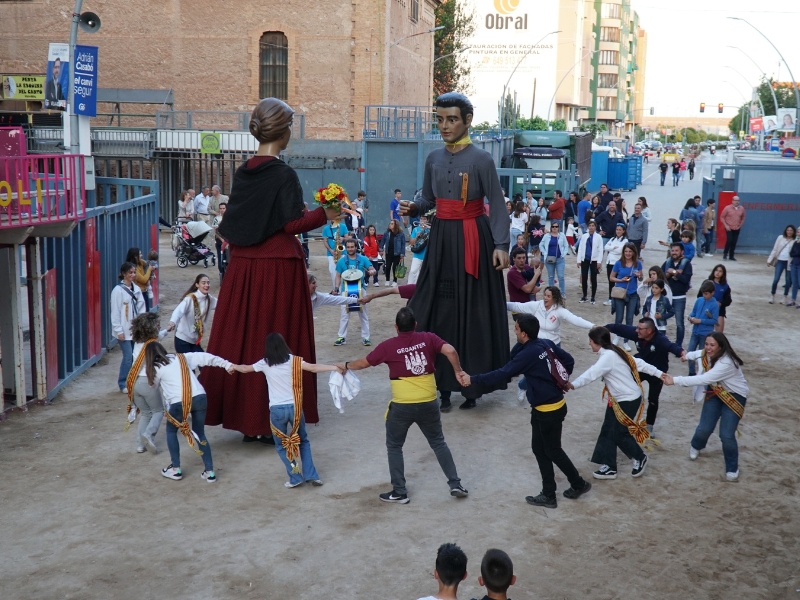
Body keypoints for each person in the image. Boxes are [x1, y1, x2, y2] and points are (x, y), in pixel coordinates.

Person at [201, 98, 342, 443]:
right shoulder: (283, 173)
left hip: (243, 269)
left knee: (242, 339)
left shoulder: (244, 170)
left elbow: (242, 221)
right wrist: (328, 212)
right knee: (277, 338)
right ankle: (270, 421)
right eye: (290, 125)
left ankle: (245, 418)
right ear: (282, 130)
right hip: (277, 269)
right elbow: (292, 223)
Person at [399, 92, 510, 411]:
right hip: (442, 241)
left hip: (475, 239)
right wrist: (414, 206)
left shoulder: (482, 159)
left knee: (474, 310)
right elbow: (428, 199)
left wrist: (501, 244)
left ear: (467, 121)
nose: (445, 125)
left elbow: (497, 203)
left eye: (452, 119)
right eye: (440, 119)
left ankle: (471, 386)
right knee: (436, 308)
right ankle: (443, 385)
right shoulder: (432, 158)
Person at [336, 307, 469, 503]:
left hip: (402, 406)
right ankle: (455, 484)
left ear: (396, 327)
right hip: (429, 402)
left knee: (395, 446)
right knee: (438, 443)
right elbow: (450, 350)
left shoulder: (388, 346)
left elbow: (364, 363)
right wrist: (458, 371)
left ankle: (399, 491)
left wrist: (346, 365)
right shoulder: (428, 338)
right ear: (415, 325)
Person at [460, 315, 591, 508]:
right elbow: (568, 360)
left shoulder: (528, 354)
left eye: (516, 328)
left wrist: (473, 379)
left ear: (524, 333)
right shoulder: (545, 343)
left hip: (547, 411)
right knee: (540, 449)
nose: (514, 330)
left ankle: (574, 485)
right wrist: (561, 381)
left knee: (552, 450)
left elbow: (504, 373)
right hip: (549, 407)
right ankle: (553, 491)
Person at [231, 333, 339, 488]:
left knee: (282, 445)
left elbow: (245, 369)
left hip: (277, 410)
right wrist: (335, 367)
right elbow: (314, 368)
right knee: (303, 441)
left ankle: (295, 477)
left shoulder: (265, 363)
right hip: (295, 408)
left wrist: (232, 366)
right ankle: (312, 475)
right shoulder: (294, 361)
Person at [567, 326, 662, 480]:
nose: (589, 344)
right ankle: (609, 465)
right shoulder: (615, 351)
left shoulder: (607, 357)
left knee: (618, 432)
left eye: (590, 341)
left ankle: (639, 457)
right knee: (607, 428)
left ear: (596, 341)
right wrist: (659, 373)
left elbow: (592, 373)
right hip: (619, 399)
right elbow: (639, 363)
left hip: (627, 399)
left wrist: (573, 384)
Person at [662, 332, 748, 481]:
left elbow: (704, 378)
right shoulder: (708, 353)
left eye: (712, 345)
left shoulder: (726, 362)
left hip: (734, 396)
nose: (708, 348)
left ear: (721, 346)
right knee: (704, 427)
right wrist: (686, 356)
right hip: (715, 393)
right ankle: (696, 445)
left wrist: (674, 380)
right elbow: (699, 353)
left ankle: (732, 467)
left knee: (726, 435)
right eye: (707, 344)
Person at [145, 343, 232, 483]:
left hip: (178, 402)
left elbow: (152, 386)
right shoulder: (182, 357)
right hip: (199, 397)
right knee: (199, 433)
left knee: (171, 431)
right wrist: (226, 365)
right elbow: (205, 357)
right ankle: (210, 472)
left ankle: (175, 469)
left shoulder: (155, 367)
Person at [604, 317, 684, 433]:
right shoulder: (638, 334)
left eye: (640, 329)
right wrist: (605, 328)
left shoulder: (660, 340)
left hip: (657, 373)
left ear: (649, 331)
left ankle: (649, 426)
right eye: (637, 328)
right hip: (641, 369)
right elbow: (621, 328)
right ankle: (624, 419)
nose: (637, 331)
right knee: (627, 389)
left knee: (653, 399)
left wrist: (681, 352)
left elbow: (671, 346)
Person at [127, 313, 167, 454]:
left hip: (135, 384)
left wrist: (167, 330)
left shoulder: (138, 341)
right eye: (157, 324)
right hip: (147, 383)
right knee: (158, 411)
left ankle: (140, 445)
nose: (159, 326)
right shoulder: (153, 345)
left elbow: (158, 337)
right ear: (151, 328)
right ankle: (148, 435)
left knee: (145, 414)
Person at [506, 286, 593, 349]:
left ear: (554, 299)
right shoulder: (537, 305)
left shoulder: (559, 310)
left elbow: (575, 319)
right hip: (537, 344)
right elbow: (517, 306)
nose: (545, 298)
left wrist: (592, 326)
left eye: (548, 296)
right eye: (544, 295)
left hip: (553, 345)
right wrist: (501, 303)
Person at [110, 262, 146, 393]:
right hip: (123, 331)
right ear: (124, 274)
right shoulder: (118, 291)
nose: (133, 275)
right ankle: (122, 382)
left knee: (135, 355)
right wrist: (118, 330)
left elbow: (142, 307)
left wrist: (141, 325)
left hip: (134, 330)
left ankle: (131, 380)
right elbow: (115, 312)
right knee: (128, 356)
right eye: (130, 272)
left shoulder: (136, 289)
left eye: (134, 272)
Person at [333, 238, 376, 346]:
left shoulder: (363, 259)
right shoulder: (341, 261)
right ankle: (341, 337)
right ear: (345, 248)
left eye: (352, 247)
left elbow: (372, 268)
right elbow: (338, 276)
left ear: (356, 247)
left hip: (361, 290)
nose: (350, 249)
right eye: (348, 247)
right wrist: (336, 288)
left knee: (363, 314)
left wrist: (372, 271)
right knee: (344, 315)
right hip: (345, 291)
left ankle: (366, 337)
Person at [167, 274, 216, 354]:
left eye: (208, 283)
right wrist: (172, 322)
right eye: (203, 283)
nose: (207, 285)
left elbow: (222, 304)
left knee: (203, 364)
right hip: (182, 340)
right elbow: (178, 311)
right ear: (197, 285)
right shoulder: (190, 299)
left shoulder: (210, 299)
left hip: (195, 341)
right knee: (187, 365)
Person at [609, 243, 643, 351]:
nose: (628, 253)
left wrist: (639, 276)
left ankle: (626, 341)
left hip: (632, 294)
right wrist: (621, 280)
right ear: (623, 252)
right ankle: (616, 336)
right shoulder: (619, 263)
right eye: (626, 251)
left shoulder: (638, 264)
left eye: (630, 251)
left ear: (633, 252)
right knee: (619, 318)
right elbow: (611, 278)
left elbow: (641, 279)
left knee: (629, 319)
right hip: (620, 293)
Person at [686, 280, 720, 376]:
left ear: (712, 293)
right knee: (690, 352)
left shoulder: (714, 305)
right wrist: (690, 317)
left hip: (705, 334)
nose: (704, 296)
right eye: (703, 293)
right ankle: (691, 372)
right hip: (695, 331)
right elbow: (693, 312)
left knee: (703, 355)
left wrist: (700, 321)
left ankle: (702, 374)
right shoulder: (699, 300)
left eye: (706, 294)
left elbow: (714, 321)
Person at [663, 243, 693, 347]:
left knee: (679, 323)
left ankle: (678, 345)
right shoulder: (667, 262)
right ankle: (661, 342)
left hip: (680, 297)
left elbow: (686, 280)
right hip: (666, 297)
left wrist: (674, 273)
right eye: (673, 250)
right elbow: (661, 277)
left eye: (676, 250)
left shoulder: (687, 264)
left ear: (682, 252)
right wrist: (669, 274)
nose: (674, 252)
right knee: (661, 319)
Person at [767, 225, 796, 305]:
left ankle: (785, 297)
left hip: (789, 262)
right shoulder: (780, 238)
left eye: (791, 230)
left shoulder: (795, 240)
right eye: (788, 230)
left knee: (788, 280)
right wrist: (769, 259)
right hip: (780, 260)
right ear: (785, 231)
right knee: (776, 279)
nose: (789, 232)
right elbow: (775, 249)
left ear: (793, 232)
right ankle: (772, 295)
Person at [576, 219, 603, 304]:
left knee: (593, 278)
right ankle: (584, 296)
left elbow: (600, 250)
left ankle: (593, 297)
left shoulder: (598, 237)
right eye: (590, 226)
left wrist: (599, 261)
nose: (591, 227)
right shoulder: (584, 236)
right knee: (584, 277)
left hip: (594, 260)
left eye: (593, 226)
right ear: (588, 227)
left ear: (595, 227)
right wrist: (579, 260)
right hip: (585, 259)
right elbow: (580, 248)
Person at [539, 221, 569, 294]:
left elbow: (566, 245)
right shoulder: (546, 236)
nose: (555, 228)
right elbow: (541, 245)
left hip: (559, 259)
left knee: (561, 276)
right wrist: (544, 252)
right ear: (551, 227)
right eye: (553, 227)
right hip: (549, 259)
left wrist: (563, 254)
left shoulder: (562, 235)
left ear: (558, 228)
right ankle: (551, 293)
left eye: (556, 227)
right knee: (551, 277)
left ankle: (562, 293)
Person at [602, 223, 628, 306]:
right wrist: (613, 247)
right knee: (611, 281)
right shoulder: (612, 239)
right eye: (617, 230)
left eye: (620, 230)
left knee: (618, 281)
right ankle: (610, 297)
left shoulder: (625, 241)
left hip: (617, 263)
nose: (618, 231)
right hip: (609, 262)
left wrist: (611, 248)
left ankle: (618, 297)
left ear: (623, 231)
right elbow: (606, 247)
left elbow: (620, 251)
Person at [322, 218, 349, 290]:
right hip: (331, 253)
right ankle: (336, 290)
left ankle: (344, 290)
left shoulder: (343, 226)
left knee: (344, 271)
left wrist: (343, 239)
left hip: (342, 252)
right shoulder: (326, 228)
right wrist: (331, 250)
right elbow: (325, 241)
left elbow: (348, 238)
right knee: (333, 272)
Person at [125, 247, 153, 313]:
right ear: (135, 256)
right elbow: (144, 280)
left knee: (146, 313)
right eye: (140, 254)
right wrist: (149, 270)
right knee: (143, 314)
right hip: (139, 293)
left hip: (144, 291)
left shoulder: (140, 263)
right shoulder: (133, 269)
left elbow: (146, 264)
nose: (141, 255)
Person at [380, 219, 406, 287]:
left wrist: (402, 254)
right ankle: (387, 280)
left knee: (395, 267)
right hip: (388, 253)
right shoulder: (387, 233)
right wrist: (381, 249)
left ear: (396, 225)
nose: (390, 225)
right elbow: (382, 241)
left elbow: (403, 244)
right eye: (390, 223)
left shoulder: (401, 234)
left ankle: (395, 280)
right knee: (387, 267)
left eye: (392, 224)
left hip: (397, 253)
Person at [707, 264, 732, 332]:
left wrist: (721, 303)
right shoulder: (707, 283)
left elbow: (728, 300)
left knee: (719, 334)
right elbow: (699, 296)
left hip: (719, 311)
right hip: (706, 310)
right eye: (716, 270)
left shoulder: (725, 286)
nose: (718, 273)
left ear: (723, 274)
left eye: (720, 271)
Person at [720, 196, 746, 261]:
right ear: (732, 201)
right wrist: (726, 225)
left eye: (738, 200)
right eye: (735, 200)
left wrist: (740, 225)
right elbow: (722, 217)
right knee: (729, 240)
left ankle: (731, 256)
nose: (737, 202)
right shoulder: (727, 208)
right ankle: (725, 254)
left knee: (734, 241)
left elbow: (743, 217)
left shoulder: (742, 208)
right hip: (729, 227)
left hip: (737, 227)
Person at [409, 214, 430, 284]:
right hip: (417, 254)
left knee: (424, 273)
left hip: (427, 255)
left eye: (424, 219)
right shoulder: (416, 229)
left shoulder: (430, 229)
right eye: (421, 219)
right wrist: (417, 237)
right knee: (413, 271)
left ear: (427, 220)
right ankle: (410, 286)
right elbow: (411, 243)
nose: (422, 221)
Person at [212, 202, 228, 280]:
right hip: (220, 241)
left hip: (228, 242)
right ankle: (221, 272)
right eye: (220, 208)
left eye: (223, 208)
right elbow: (215, 231)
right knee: (220, 258)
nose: (222, 210)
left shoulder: (229, 218)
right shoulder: (216, 219)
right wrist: (222, 240)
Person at [790, 235, 800, 308]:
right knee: (794, 283)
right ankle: (793, 300)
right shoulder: (795, 242)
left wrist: (796, 254)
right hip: (794, 264)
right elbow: (791, 253)